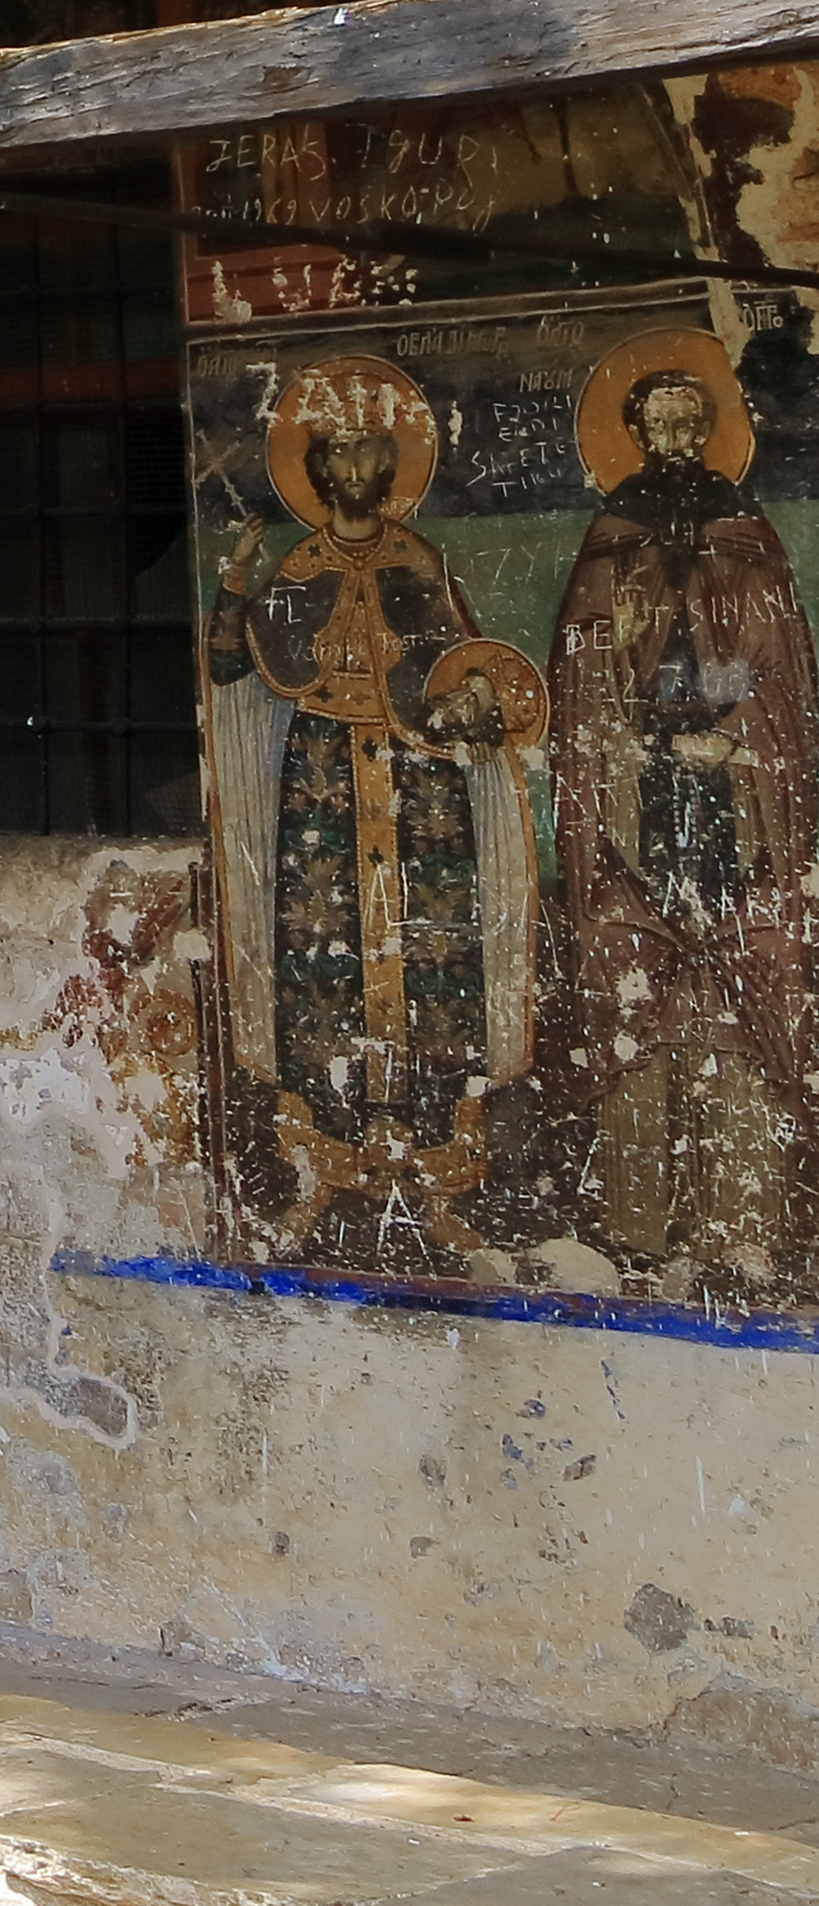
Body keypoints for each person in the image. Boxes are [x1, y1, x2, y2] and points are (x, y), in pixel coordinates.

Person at [205, 354, 547, 1261]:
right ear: (316, 471)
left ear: (388, 468)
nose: (353, 473)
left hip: (416, 771)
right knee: (325, 966)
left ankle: (428, 1176)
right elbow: (234, 661)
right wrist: (236, 581)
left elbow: (453, 668)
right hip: (321, 768)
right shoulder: (301, 563)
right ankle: (329, 1173)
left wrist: (469, 712)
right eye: (338, 458)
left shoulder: (418, 560)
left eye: (367, 457)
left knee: (432, 957)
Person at [545, 329, 815, 1282]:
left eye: (688, 420)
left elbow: (774, 653)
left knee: (740, 975)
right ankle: (642, 1224)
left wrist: (737, 732)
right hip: (644, 775)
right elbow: (584, 659)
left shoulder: (741, 519)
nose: (673, 434)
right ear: (634, 431)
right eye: (657, 421)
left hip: (731, 774)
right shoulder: (615, 523)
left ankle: (745, 1221)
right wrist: (640, 733)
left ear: (708, 430)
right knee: (644, 980)